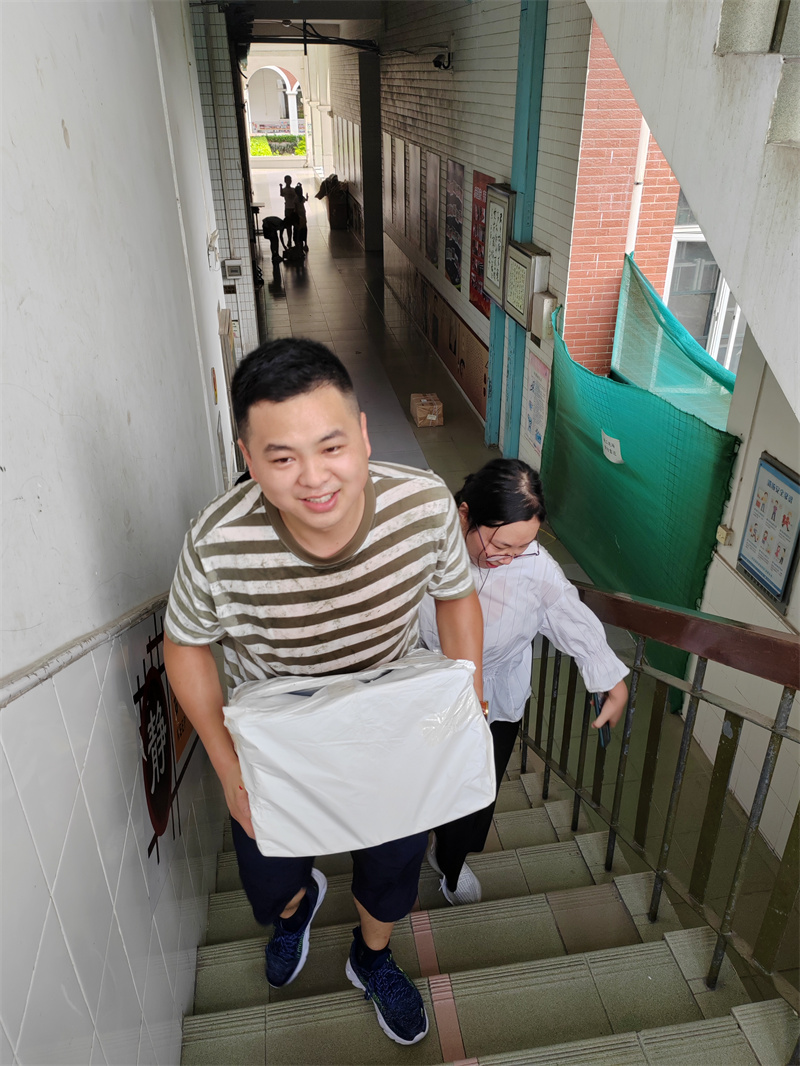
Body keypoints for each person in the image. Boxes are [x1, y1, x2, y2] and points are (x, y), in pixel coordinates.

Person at [163, 338, 483, 1046]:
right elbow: (183, 644)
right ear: (249, 459)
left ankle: (372, 958)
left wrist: (469, 701)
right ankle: (298, 905)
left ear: (363, 435)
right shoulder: (216, 542)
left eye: (332, 446)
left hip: (390, 722)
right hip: (278, 742)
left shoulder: (423, 504)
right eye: (281, 458)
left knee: (392, 869)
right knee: (270, 880)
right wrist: (226, 764)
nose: (314, 478)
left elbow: (457, 596)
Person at [418, 458, 629, 905]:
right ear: (465, 515)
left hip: (498, 698)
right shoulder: (424, 552)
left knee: (476, 796)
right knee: (423, 781)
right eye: (501, 545)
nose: (509, 558)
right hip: (431, 693)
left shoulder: (533, 566)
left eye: (523, 546)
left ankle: (449, 862)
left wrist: (610, 680)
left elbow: (566, 612)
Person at [279, 175, 299, 246]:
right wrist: (280, 187)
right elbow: (281, 194)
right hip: (288, 208)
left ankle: (294, 239)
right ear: (285, 181)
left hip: (293, 208)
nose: (289, 181)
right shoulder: (284, 190)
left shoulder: (293, 190)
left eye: (290, 180)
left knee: (293, 225)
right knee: (289, 226)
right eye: (288, 180)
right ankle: (289, 239)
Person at [294, 182, 309, 252]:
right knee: (304, 228)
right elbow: (306, 200)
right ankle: (305, 243)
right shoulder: (302, 198)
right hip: (303, 213)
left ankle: (298, 243)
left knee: (298, 229)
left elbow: (296, 208)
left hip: (299, 215)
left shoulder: (295, 199)